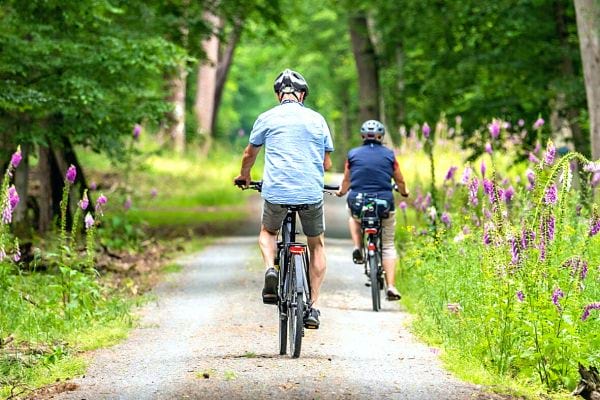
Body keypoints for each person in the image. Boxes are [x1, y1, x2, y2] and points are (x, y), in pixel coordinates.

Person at [234, 68, 334, 329]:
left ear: (280, 95)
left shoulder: (266, 118)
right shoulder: (317, 120)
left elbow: (249, 154)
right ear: (302, 95)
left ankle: (270, 269)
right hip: (311, 192)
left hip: (276, 191)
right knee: (317, 245)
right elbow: (327, 162)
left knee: (268, 232)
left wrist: (245, 176)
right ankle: (313, 306)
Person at [336, 119, 409, 301]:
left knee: (353, 216)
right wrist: (404, 192)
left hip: (359, 202)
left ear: (362, 136)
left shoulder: (353, 154)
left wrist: (342, 191)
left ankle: (358, 246)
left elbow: (346, 180)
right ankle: (391, 286)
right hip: (384, 203)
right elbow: (399, 180)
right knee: (389, 245)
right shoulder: (390, 155)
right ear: (381, 136)